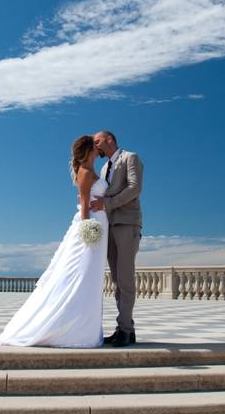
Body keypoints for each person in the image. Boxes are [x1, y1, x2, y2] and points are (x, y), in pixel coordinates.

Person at [0, 135, 109, 347]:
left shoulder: (91, 170)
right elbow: (84, 203)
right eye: (94, 146)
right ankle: (75, 330)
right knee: (82, 276)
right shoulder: (86, 173)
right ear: (89, 151)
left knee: (90, 277)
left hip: (98, 226)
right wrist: (87, 229)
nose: (98, 148)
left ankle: (84, 328)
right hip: (91, 229)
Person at [90, 130, 143, 347]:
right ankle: (124, 328)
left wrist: (107, 204)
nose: (96, 146)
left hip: (128, 224)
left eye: (98, 141)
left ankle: (126, 329)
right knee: (117, 281)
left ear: (109, 139)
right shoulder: (104, 168)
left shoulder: (130, 157)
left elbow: (134, 188)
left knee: (125, 280)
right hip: (110, 226)